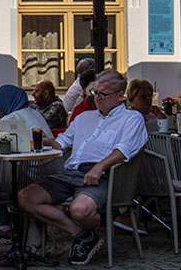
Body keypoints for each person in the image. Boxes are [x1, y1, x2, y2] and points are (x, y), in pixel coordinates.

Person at [17, 71, 146, 266]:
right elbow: (62, 143)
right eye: (95, 92)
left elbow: (125, 149)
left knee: (80, 209)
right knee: (26, 197)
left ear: (121, 96)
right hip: (72, 172)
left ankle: (84, 232)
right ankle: (82, 235)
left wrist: (99, 167)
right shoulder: (84, 117)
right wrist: (48, 142)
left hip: (104, 175)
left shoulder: (131, 118)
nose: (97, 98)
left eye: (103, 94)